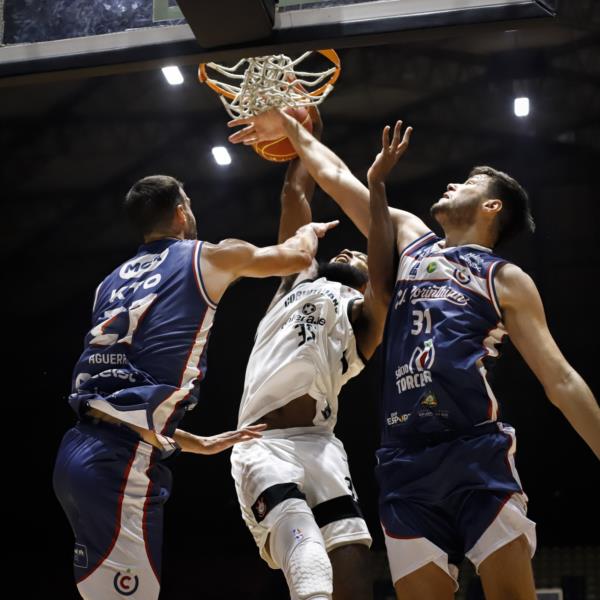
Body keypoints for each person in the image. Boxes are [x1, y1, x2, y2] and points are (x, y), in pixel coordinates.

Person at [228, 112, 600, 600]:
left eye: (468, 181)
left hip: (474, 450)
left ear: (491, 206)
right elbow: (336, 178)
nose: (452, 182)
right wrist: (294, 131)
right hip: (404, 462)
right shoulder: (409, 237)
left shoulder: (504, 277)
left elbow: (562, 381)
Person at [52, 173, 338, 600]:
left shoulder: (107, 284)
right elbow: (295, 259)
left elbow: (117, 397)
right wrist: (307, 231)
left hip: (77, 451)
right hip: (118, 464)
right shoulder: (208, 257)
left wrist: (197, 443)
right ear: (182, 212)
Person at [230, 112, 388, 600]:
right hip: (261, 442)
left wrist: (376, 197)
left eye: (359, 256)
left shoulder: (365, 317)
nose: (349, 253)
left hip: (318, 444)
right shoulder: (295, 279)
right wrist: (305, 131)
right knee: (304, 548)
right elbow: (295, 196)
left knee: (354, 563)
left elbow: (384, 266)